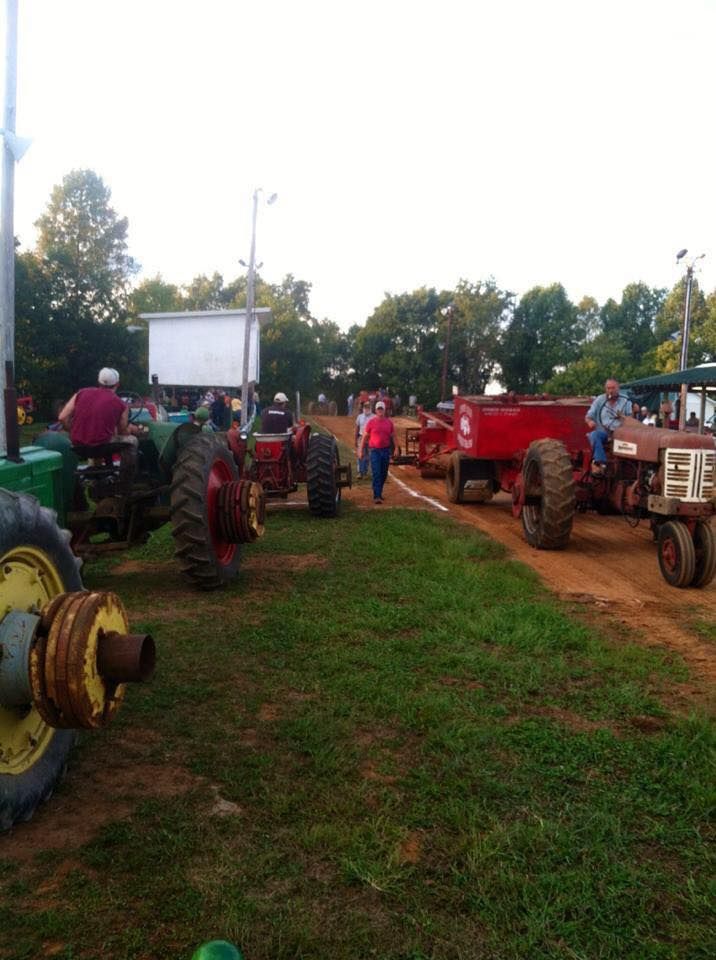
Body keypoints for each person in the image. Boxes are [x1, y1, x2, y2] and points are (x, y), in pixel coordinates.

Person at [58, 367, 141, 484]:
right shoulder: (121, 404)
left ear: (99, 382)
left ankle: (97, 478)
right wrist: (133, 429)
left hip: (78, 446)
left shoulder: (81, 393)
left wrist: (71, 430)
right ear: (117, 384)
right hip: (101, 446)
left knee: (100, 436)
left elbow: (62, 417)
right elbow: (123, 431)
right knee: (132, 441)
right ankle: (125, 480)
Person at [584, 377, 632, 475]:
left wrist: (625, 417)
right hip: (604, 433)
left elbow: (631, 418)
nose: (610, 390)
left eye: (613, 388)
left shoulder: (625, 401)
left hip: (622, 434)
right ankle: (600, 462)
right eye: (608, 388)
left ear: (618, 388)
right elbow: (589, 416)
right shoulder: (599, 400)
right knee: (594, 435)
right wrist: (590, 422)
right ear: (605, 389)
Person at [359, 400, 395, 503]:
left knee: (383, 474)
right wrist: (360, 450)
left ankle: (379, 492)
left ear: (384, 410)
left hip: (385, 451)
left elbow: (393, 436)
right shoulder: (371, 422)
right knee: (376, 473)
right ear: (375, 410)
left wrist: (396, 448)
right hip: (374, 451)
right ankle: (377, 496)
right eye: (378, 409)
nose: (380, 411)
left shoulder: (389, 423)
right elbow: (365, 437)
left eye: (381, 409)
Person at [354, 400, 374, 479]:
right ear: (363, 408)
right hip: (361, 437)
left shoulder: (374, 417)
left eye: (368, 407)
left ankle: (367, 472)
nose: (367, 408)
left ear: (370, 407)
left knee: (370, 456)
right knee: (360, 455)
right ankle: (360, 472)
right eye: (365, 407)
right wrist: (355, 439)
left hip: (371, 438)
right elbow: (357, 428)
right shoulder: (360, 417)